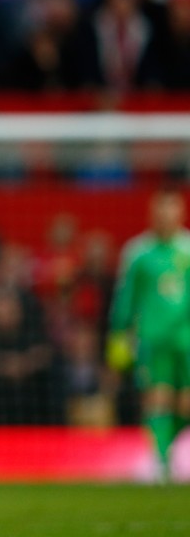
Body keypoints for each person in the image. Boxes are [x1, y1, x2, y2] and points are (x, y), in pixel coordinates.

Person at [107, 189, 190, 482]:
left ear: (181, 213)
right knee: (157, 398)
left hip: (186, 338)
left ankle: (171, 449)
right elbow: (125, 301)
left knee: (184, 402)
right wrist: (118, 345)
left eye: (172, 210)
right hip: (152, 339)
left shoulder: (187, 249)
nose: (166, 217)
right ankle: (161, 460)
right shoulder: (138, 252)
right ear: (152, 214)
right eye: (160, 211)